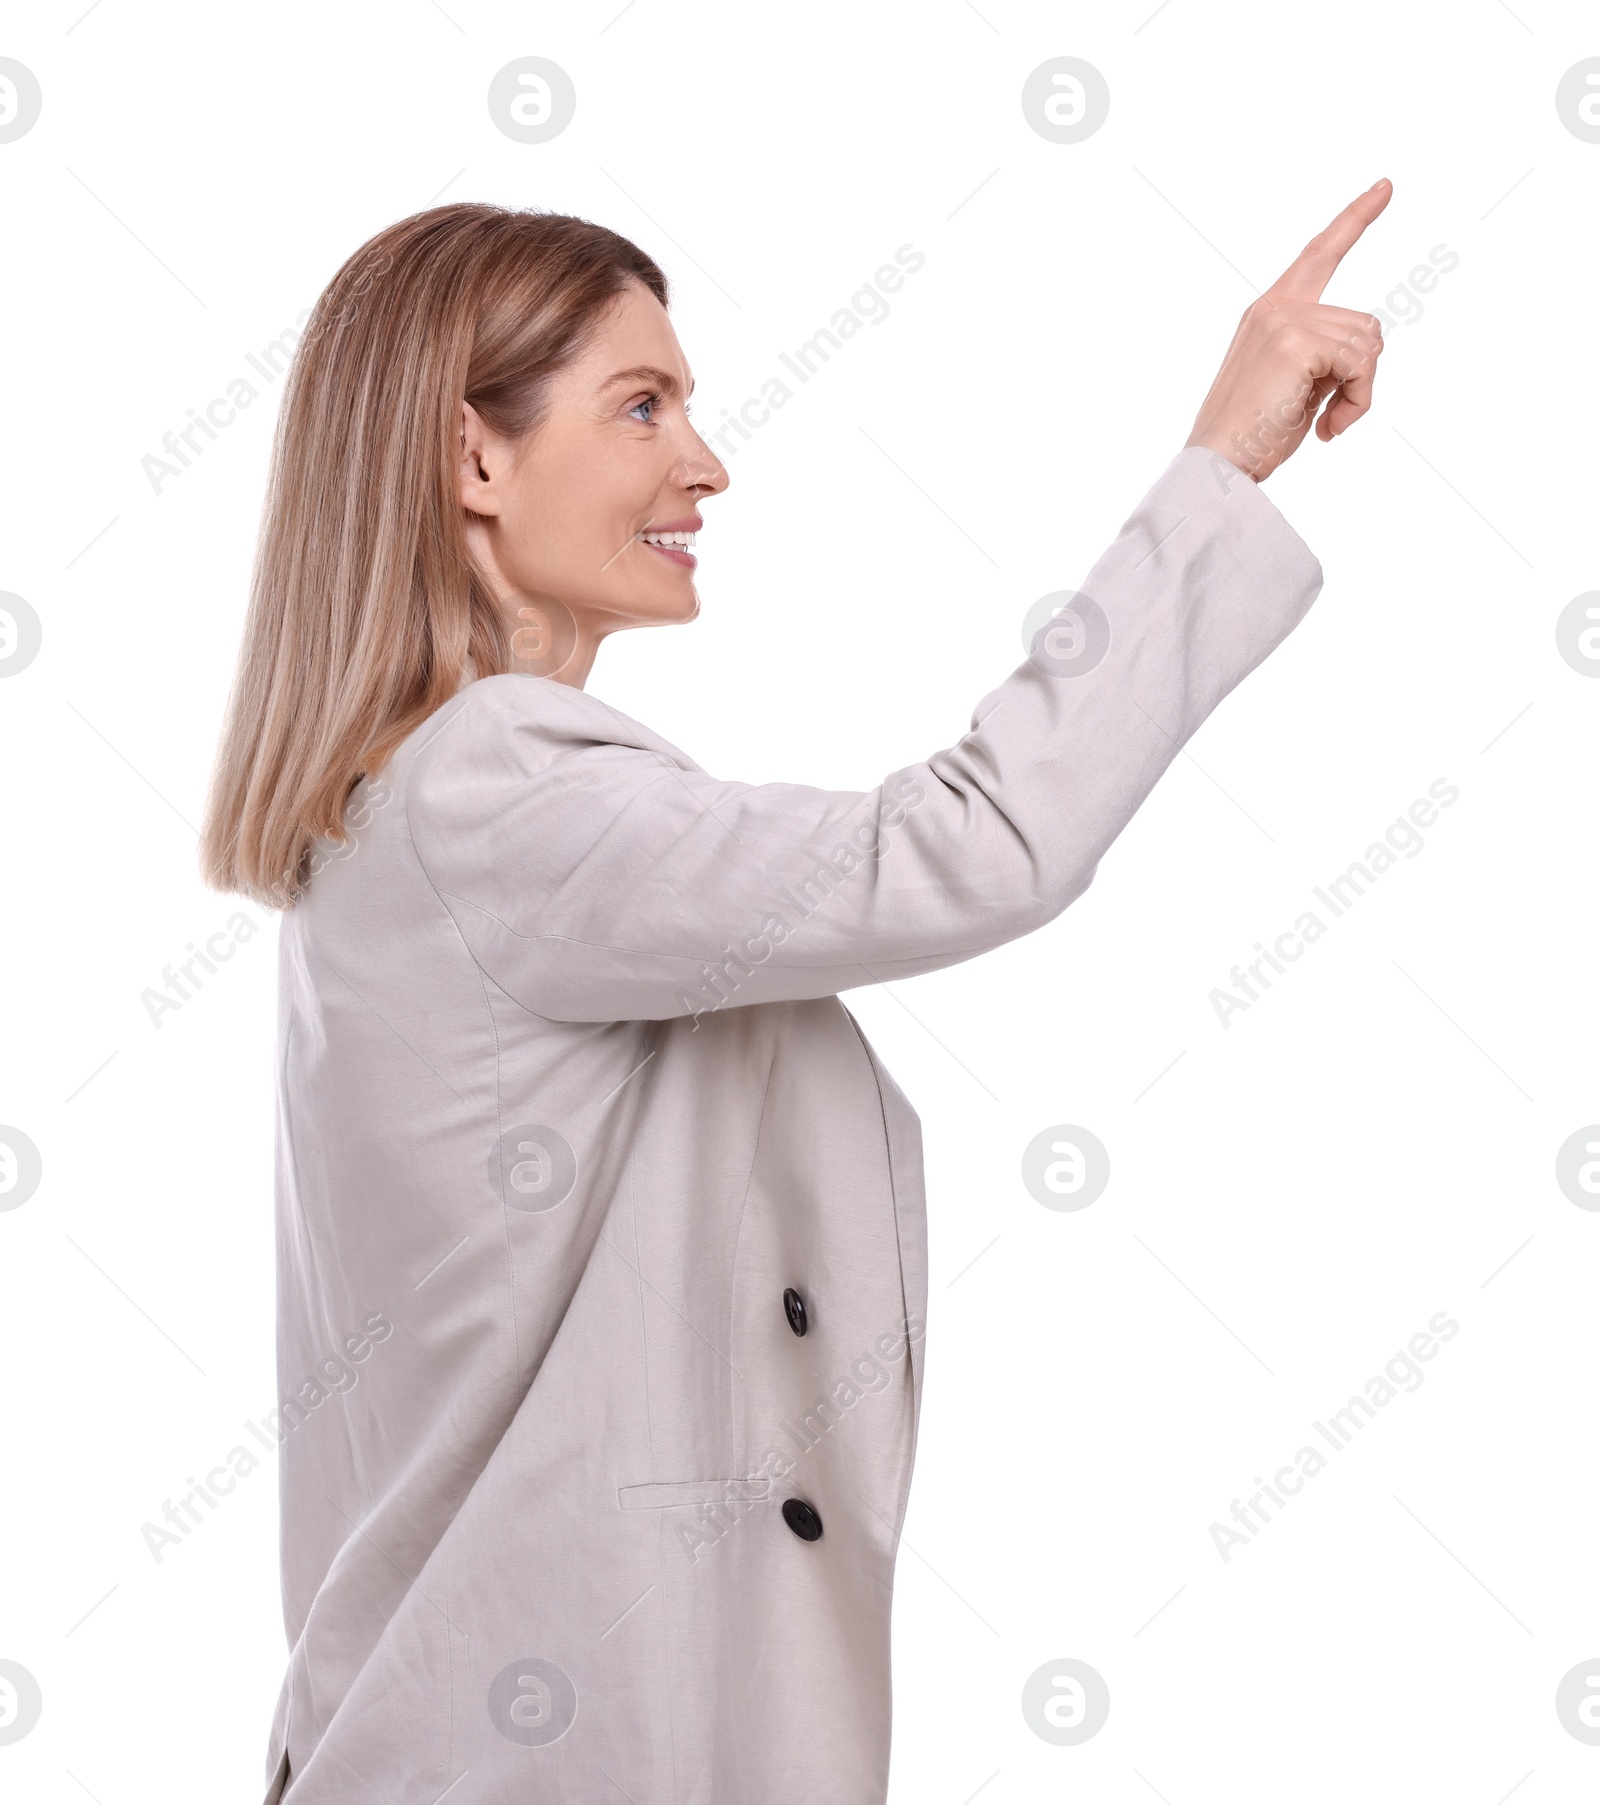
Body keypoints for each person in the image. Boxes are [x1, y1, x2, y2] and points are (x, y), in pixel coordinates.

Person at [200, 182, 1391, 1804]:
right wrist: (1217, 465)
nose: (704, 460)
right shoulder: (498, 790)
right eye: (643, 406)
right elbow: (972, 844)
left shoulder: (412, 806)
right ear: (473, 458)